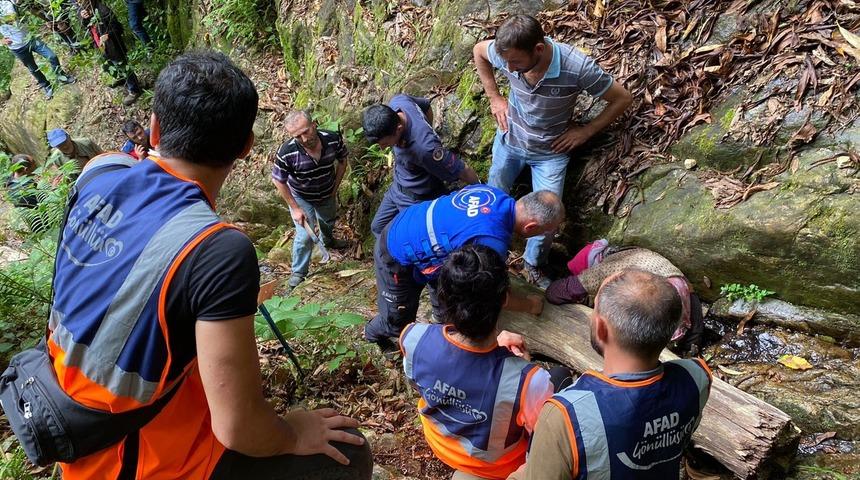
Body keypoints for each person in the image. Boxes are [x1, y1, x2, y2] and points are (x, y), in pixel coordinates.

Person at [48, 51, 372, 480]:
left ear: (155, 128)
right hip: (137, 461)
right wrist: (292, 433)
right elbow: (239, 428)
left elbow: (120, 167)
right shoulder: (217, 251)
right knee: (351, 455)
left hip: (70, 423)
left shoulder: (97, 174)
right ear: (245, 147)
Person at [473, 14, 632, 287]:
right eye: (506, 62)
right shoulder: (508, 55)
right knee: (490, 199)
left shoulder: (576, 67)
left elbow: (622, 98)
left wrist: (586, 131)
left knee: (548, 218)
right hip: (510, 140)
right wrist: (495, 97)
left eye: (516, 63)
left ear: (538, 48)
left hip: (550, 152)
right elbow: (479, 51)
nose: (509, 68)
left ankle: (532, 264)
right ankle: (484, 253)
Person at [508, 270, 713, 480]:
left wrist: (520, 371)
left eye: (595, 309)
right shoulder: (697, 379)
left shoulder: (565, 416)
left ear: (601, 329)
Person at [400, 244, 572, 480]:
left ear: (442, 295)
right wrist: (521, 369)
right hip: (493, 467)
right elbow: (541, 434)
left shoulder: (413, 338)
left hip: (439, 441)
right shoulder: (528, 381)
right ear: (504, 299)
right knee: (560, 376)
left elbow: (423, 381)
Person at [365, 183, 563, 356]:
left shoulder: (492, 193)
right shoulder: (491, 241)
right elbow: (495, 296)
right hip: (396, 250)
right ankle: (372, 334)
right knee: (398, 319)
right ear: (530, 227)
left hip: (421, 238)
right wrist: (531, 305)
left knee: (448, 303)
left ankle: (440, 325)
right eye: (545, 232)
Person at [545, 239, 706, 355]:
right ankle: (691, 348)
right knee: (690, 332)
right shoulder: (632, 252)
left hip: (655, 302)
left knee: (649, 336)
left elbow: (557, 292)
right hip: (682, 287)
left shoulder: (604, 269)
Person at [362, 94, 481, 238]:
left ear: (399, 129)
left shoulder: (425, 148)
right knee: (378, 228)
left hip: (416, 199)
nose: (382, 149)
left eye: (386, 143)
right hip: (398, 188)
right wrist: (429, 129)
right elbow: (426, 105)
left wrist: (482, 190)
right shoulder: (399, 102)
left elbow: (461, 169)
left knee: (415, 239)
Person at [271, 110, 350, 289]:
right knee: (305, 235)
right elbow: (278, 180)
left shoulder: (332, 139)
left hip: (326, 190)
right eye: (298, 136)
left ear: (314, 124)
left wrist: (335, 187)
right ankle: (299, 272)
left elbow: (343, 160)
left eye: (306, 131)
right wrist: (295, 208)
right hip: (301, 196)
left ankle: (328, 240)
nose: (304, 138)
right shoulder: (287, 152)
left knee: (328, 220)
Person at [0, 0, 75, 99]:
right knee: (33, 68)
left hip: (30, 38)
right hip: (16, 47)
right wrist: (1, 41)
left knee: (52, 56)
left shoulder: (9, 2)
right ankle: (47, 87)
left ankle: (61, 77)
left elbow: (17, 13)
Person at [79, 0, 142, 106]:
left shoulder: (103, 10)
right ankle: (122, 79)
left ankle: (134, 89)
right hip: (101, 45)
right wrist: (84, 19)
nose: (79, 2)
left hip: (113, 46)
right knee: (111, 64)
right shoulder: (85, 9)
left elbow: (118, 27)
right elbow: (85, 26)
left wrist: (108, 34)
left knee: (121, 65)